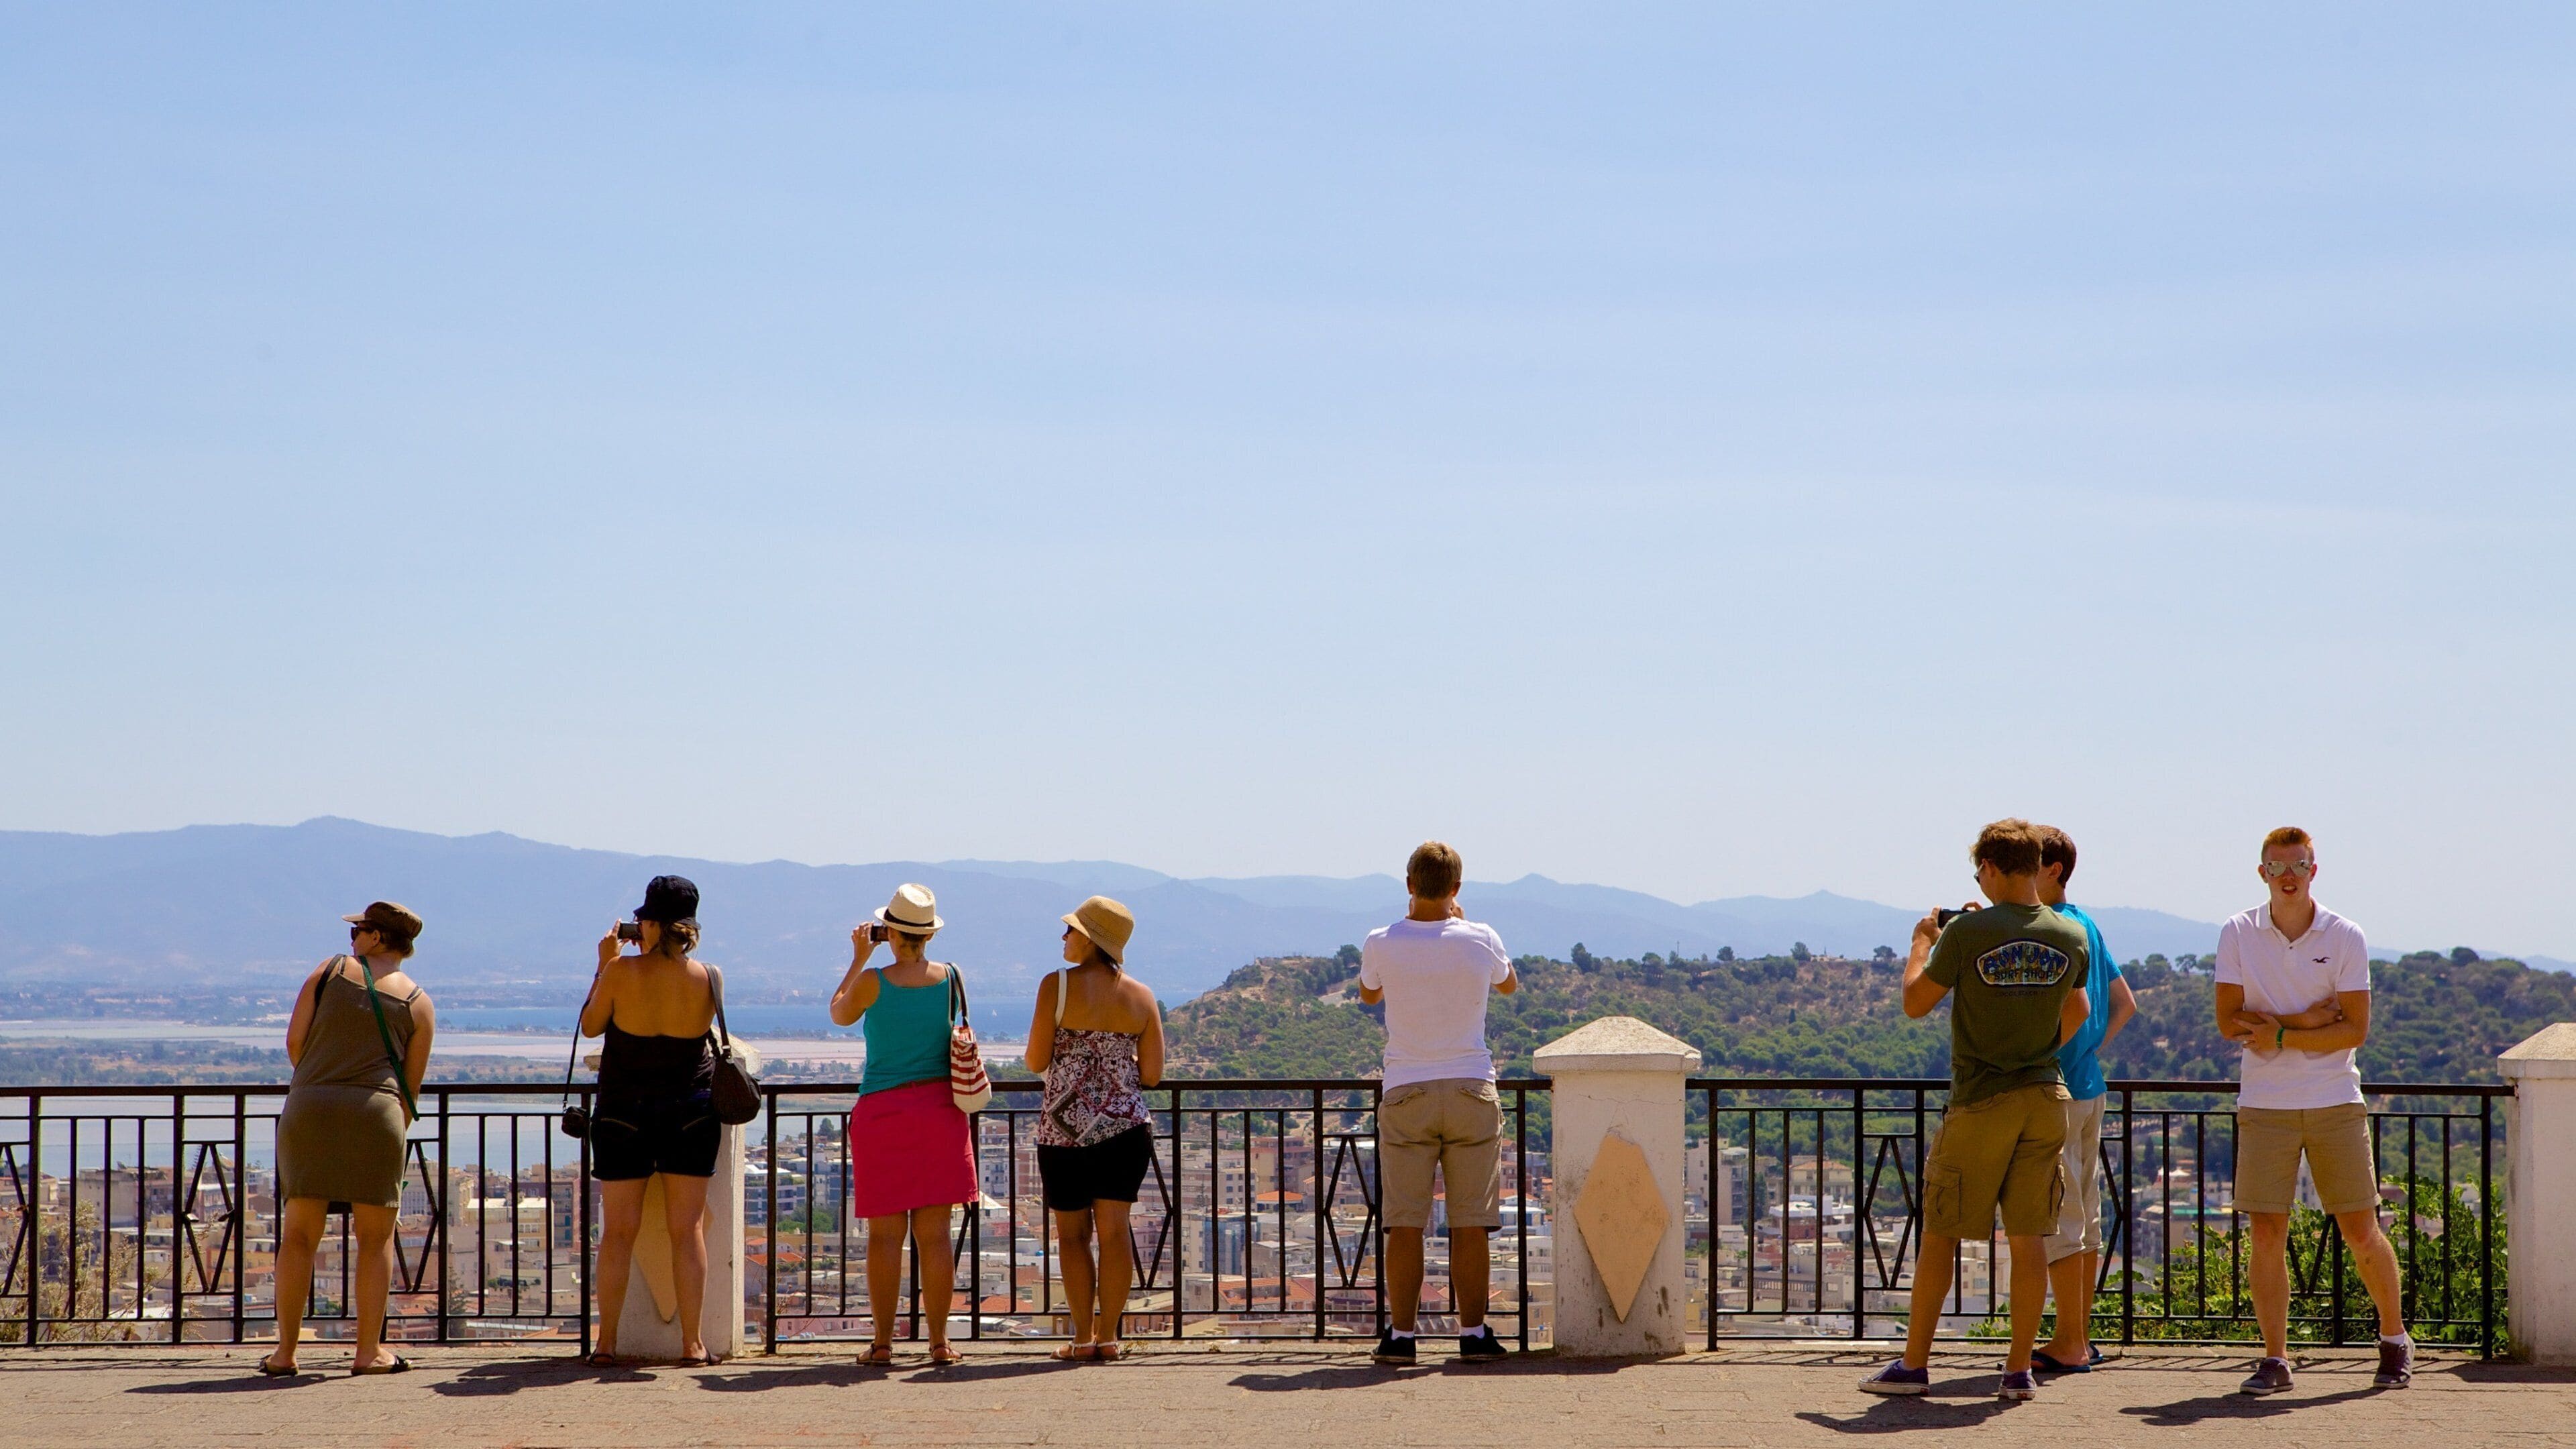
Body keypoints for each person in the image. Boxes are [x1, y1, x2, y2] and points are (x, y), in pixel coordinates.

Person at [1862, 820, 2090, 1402]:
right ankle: (2018, 1370)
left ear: (1989, 868)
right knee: (2030, 1236)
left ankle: (1914, 1367)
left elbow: (1916, 1003)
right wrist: (2031, 1047)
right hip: (2046, 1097)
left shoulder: (1967, 935)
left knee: (1941, 1232)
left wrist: (1922, 943)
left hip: (1982, 1099)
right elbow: (2078, 1012)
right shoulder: (2072, 936)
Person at [2214, 826, 2410, 1393]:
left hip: (2334, 1101)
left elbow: (2357, 1029)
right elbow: (2230, 1022)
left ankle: (2395, 1340)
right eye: (2277, 868)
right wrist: (2308, 1023)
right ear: (2263, 874)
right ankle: (2275, 1358)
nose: (2289, 876)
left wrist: (2277, 1030)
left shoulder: (2345, 935)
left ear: (2314, 870)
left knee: (2360, 1228)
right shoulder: (2238, 932)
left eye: (2298, 865)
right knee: (2267, 1232)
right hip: (2265, 1104)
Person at [1356, 841, 1519, 1366]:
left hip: (1407, 1090)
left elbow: (1369, 995)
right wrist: (1461, 922)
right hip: (1472, 1086)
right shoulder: (1482, 937)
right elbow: (1509, 985)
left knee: (1404, 1221)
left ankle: (1402, 1337)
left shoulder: (1381, 941)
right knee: (1471, 1220)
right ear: (1456, 889)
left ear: (1408, 885)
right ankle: (1473, 1333)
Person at [260, 901, 433, 1377]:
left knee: (298, 1235)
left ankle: (285, 1354)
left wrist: (322, 1081)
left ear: (377, 938)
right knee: (375, 1240)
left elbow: (295, 1043)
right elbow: (410, 1089)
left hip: (310, 1107)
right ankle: (368, 1353)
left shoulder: (330, 971)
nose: (352, 937)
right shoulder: (420, 1002)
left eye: (358, 929)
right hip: (376, 1115)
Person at [830, 882, 976, 1366]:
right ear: (929, 935)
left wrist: (857, 956)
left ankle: (883, 1344)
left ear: (889, 931)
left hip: (884, 1116)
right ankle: (939, 1343)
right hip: (940, 1114)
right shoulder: (951, 978)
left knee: (885, 1237)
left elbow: (838, 1013)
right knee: (935, 1236)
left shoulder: (873, 981)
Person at [581, 874, 722, 1366]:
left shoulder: (620, 972)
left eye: (642, 919)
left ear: (653, 924)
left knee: (619, 1231)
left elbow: (592, 1026)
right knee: (689, 1232)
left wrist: (603, 966)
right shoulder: (710, 976)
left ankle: (607, 1343)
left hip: (624, 1111)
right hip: (692, 1112)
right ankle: (693, 1343)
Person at [1024, 896, 1165, 1362]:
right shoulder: (1142, 996)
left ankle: (1082, 1337)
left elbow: (1035, 1060)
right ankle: (1109, 1337)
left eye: (1070, 930)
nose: (1064, 937)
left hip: (1062, 1132)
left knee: (1071, 1236)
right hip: (1125, 1131)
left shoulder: (1055, 987)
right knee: (1115, 1234)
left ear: (1089, 939)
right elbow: (1153, 1074)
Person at [2032, 826, 2138, 1375]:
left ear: (2053, 870)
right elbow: (2125, 1003)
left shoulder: (2053, 929)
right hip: (2091, 1086)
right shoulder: (2089, 925)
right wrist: (2092, 1046)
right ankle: (2078, 1334)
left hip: (2060, 1090)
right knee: (2088, 1218)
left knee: (2063, 1218)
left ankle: (2068, 1343)